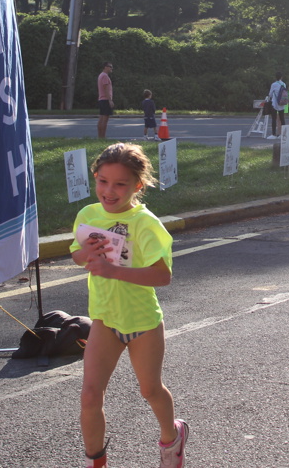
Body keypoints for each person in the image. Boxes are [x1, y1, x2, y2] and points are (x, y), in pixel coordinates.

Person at [70, 143, 188, 468]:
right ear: (95, 177)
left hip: (142, 322)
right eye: (103, 181)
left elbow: (162, 276)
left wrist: (113, 271)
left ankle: (172, 437)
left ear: (138, 185)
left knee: (150, 390)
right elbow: (76, 255)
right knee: (90, 395)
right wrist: (86, 254)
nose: (109, 191)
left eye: (120, 184)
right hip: (105, 320)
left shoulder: (145, 223)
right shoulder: (88, 215)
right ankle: (96, 462)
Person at [267, 72, 287, 139]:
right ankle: (283, 134)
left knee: (274, 118)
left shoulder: (274, 84)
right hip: (282, 103)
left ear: (275, 77)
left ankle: (273, 134)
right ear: (281, 77)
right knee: (282, 119)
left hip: (275, 103)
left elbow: (270, 94)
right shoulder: (284, 84)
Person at [97, 62, 114, 139]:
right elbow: (106, 89)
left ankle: (100, 137)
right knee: (105, 120)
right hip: (105, 99)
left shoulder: (101, 75)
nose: (111, 68)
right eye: (110, 66)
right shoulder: (105, 76)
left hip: (101, 99)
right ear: (105, 67)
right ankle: (103, 137)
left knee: (101, 118)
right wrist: (110, 100)